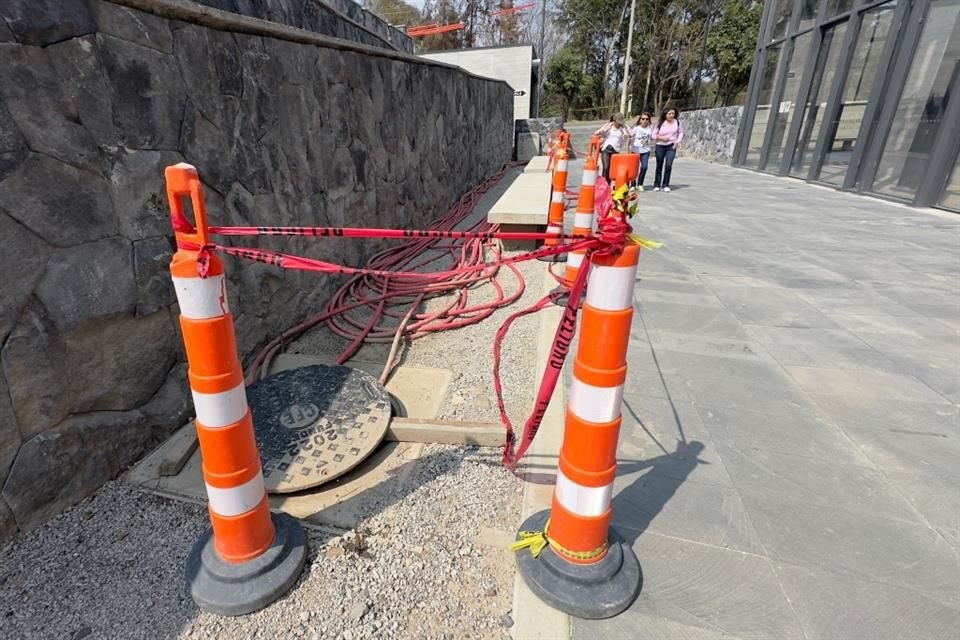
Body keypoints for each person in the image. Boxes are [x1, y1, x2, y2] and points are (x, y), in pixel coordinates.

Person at [594, 112, 631, 183]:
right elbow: (596, 133)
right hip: (606, 149)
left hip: (616, 150)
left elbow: (632, 133)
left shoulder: (623, 128)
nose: (619, 123)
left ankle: (608, 184)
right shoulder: (608, 126)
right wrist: (603, 130)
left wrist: (627, 134)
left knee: (611, 169)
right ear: (614, 121)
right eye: (618, 122)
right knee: (606, 168)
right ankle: (603, 184)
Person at [653, 107, 683, 192]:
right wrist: (661, 138)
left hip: (671, 146)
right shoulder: (661, 123)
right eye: (669, 114)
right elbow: (653, 135)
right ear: (665, 115)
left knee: (668, 165)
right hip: (660, 146)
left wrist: (677, 142)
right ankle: (657, 184)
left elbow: (680, 133)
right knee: (659, 164)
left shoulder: (677, 122)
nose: (671, 115)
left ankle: (666, 184)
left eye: (673, 113)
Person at [630, 113, 653, 191]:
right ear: (640, 120)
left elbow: (653, 137)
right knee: (634, 168)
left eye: (647, 119)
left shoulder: (650, 129)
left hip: (645, 150)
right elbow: (631, 135)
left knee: (644, 167)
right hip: (635, 150)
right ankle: (632, 184)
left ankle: (640, 183)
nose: (645, 120)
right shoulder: (636, 128)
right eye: (643, 119)